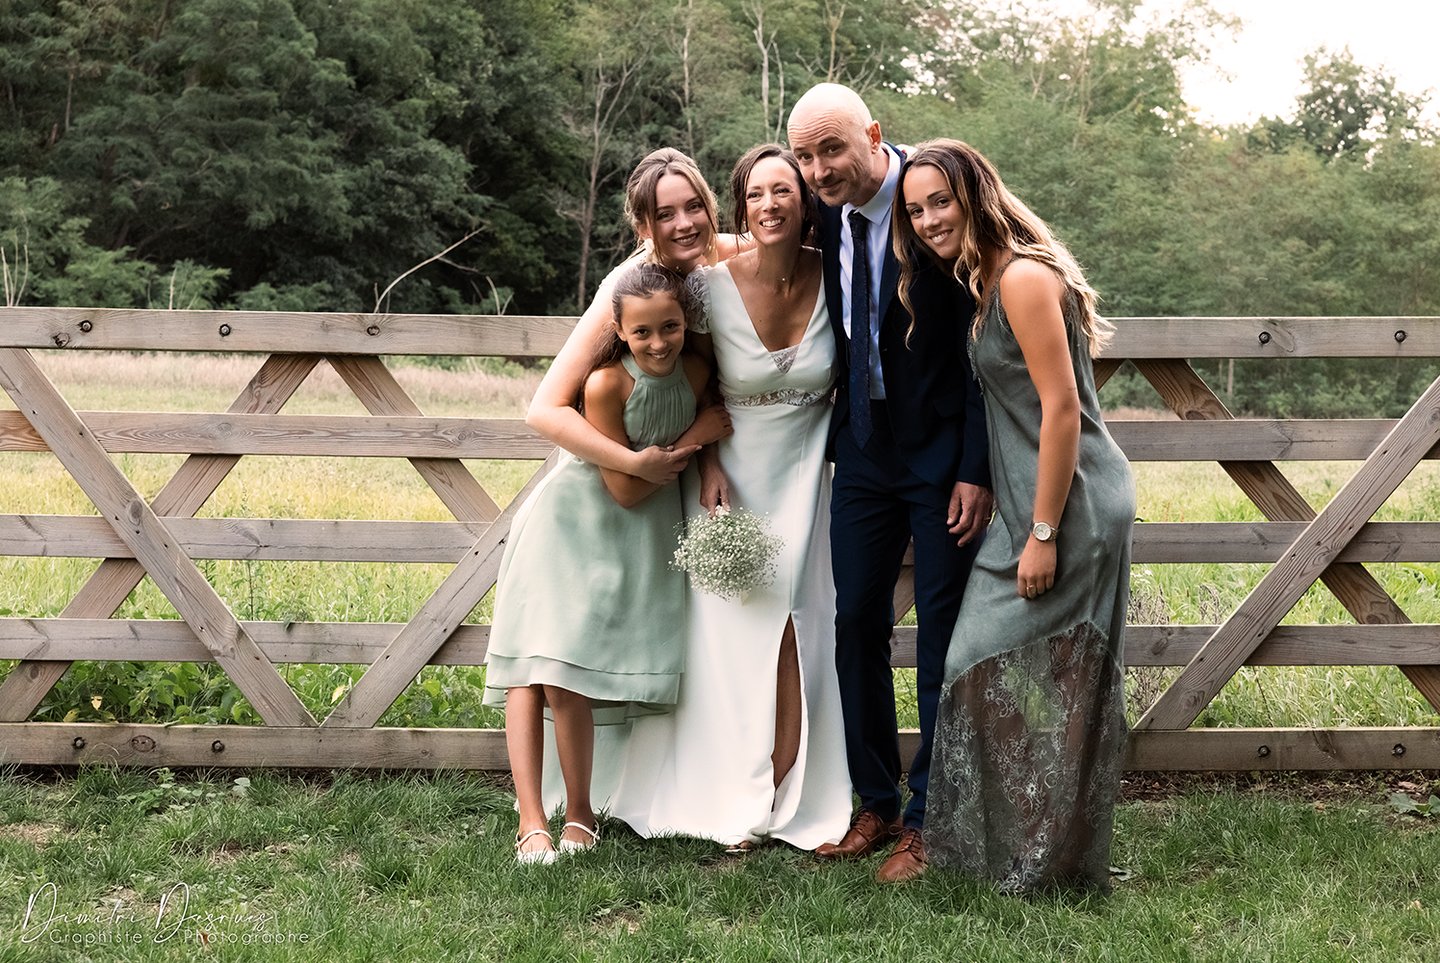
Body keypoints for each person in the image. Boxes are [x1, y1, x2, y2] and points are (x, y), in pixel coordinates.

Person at [895, 139, 1134, 893]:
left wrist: (1041, 532)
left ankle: (1050, 856)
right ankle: (1040, 839)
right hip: (1031, 505)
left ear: (976, 195)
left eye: (941, 201)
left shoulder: (1024, 279)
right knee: (980, 665)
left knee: (1044, 671)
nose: (929, 219)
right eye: (916, 209)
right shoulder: (985, 280)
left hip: (1069, 504)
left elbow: (1063, 410)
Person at [611, 145, 852, 851]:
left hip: (808, 481)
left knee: (801, 630)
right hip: (730, 481)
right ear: (740, 206)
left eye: (784, 191)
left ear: (804, 201)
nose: (770, 205)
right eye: (756, 194)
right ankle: (732, 790)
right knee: (732, 636)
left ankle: (786, 790)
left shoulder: (833, 275)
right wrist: (706, 455)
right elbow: (697, 377)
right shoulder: (708, 289)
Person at [786, 83, 993, 883]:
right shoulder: (823, 210)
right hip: (863, 452)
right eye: (805, 156)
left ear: (872, 135)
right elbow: (747, 236)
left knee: (941, 640)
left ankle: (927, 818)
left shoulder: (933, 200)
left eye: (831, 150)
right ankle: (872, 800)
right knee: (852, 622)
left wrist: (976, 467)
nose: (817, 169)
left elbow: (985, 342)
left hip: (942, 457)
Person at [483, 262, 731, 864]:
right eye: (642, 332)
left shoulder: (696, 371)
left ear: (685, 323)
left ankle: (581, 813)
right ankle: (532, 820)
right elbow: (623, 487)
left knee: (574, 675)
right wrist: (692, 441)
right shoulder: (603, 386)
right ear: (619, 330)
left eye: (669, 327)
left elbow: (711, 421)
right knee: (537, 666)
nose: (658, 342)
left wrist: (703, 448)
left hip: (630, 540)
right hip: (570, 528)